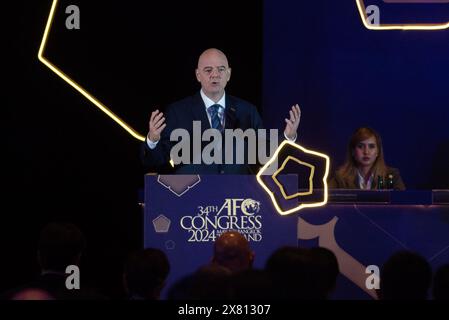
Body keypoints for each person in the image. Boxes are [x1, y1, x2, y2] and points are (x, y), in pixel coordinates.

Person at [142, 48, 301, 174]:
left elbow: (264, 156)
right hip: (191, 199)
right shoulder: (178, 111)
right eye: (208, 70)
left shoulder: (247, 111)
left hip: (236, 199)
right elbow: (157, 160)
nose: (215, 75)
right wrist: (153, 140)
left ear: (229, 74)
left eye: (221, 69)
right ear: (198, 75)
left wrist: (287, 137)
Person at [329, 127, 405, 190]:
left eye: (371, 146)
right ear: (352, 151)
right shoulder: (340, 178)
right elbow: (326, 200)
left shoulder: (391, 176)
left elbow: (402, 204)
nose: (366, 152)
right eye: (360, 146)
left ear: (378, 151)